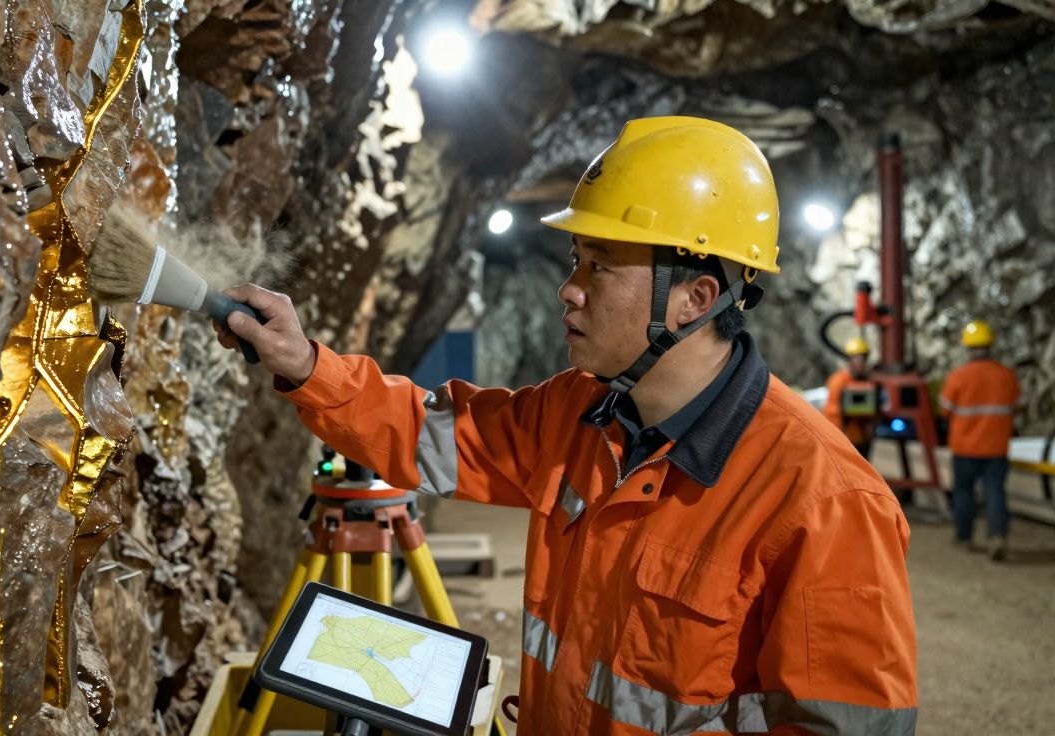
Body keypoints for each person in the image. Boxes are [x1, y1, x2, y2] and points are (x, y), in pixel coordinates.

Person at [215, 117, 917, 734]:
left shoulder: (824, 501)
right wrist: (307, 364)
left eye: (601, 266)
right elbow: (430, 434)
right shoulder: (579, 413)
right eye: (574, 259)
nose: (569, 288)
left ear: (695, 299)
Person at [939, 319, 1021, 561]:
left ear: (968, 347)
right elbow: (1016, 407)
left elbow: (944, 410)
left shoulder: (958, 376)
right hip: (996, 446)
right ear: (989, 345)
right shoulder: (1005, 375)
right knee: (995, 492)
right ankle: (997, 536)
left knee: (964, 492)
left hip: (965, 447)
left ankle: (964, 536)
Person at [822, 336, 878, 457]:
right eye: (857, 358)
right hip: (844, 439)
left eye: (863, 358)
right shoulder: (838, 381)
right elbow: (832, 412)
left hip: (862, 439)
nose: (861, 362)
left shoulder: (869, 381)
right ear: (849, 359)